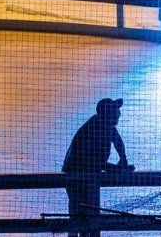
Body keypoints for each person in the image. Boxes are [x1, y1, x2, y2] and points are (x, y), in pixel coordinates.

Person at [61, 97, 131, 237]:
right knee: (78, 215)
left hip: (90, 174)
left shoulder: (107, 125)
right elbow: (88, 161)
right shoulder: (93, 129)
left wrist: (123, 159)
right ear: (107, 114)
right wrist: (114, 168)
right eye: (116, 111)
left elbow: (118, 142)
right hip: (75, 176)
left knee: (89, 214)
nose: (119, 114)